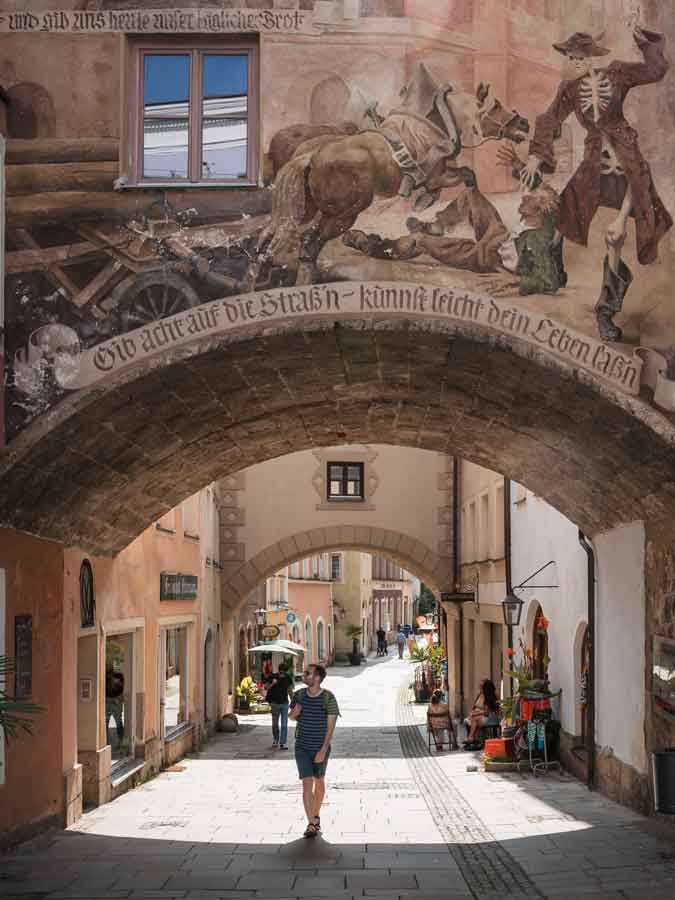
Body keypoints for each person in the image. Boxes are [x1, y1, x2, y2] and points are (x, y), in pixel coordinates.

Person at [520, 26, 671, 340]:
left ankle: (606, 310)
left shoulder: (617, 75)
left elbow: (656, 70)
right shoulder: (569, 89)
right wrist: (536, 157)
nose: (574, 62)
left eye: (579, 57)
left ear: (592, 58)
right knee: (565, 210)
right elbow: (549, 119)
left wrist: (646, 42)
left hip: (624, 155)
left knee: (614, 237)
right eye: (570, 57)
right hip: (593, 163)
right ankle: (554, 271)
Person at [289, 664, 340, 838]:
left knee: (319, 781)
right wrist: (294, 713)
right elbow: (292, 716)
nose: (304, 675)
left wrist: (323, 750)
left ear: (317, 678)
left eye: (307, 673)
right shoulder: (299, 695)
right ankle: (311, 822)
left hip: (320, 747)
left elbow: (330, 727)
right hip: (302, 746)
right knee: (306, 782)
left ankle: (316, 814)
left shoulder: (329, 698)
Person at [264, 662, 294, 750]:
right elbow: (266, 687)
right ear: (279, 671)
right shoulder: (273, 677)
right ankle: (276, 740)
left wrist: (293, 703)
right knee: (275, 724)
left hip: (284, 704)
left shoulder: (288, 678)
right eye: (280, 672)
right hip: (274, 704)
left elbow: (290, 691)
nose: (282, 674)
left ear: (286, 672)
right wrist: (273, 683)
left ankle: (283, 743)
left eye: (283, 673)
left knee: (284, 724)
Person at [464, 678, 500, 749]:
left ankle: (471, 738)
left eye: (481, 686)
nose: (479, 687)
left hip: (490, 717)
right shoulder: (480, 695)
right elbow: (474, 707)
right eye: (479, 685)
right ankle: (475, 741)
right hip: (481, 717)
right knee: (472, 720)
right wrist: (473, 713)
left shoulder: (491, 696)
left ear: (486, 687)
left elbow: (487, 712)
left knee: (475, 720)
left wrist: (476, 714)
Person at [105, 665, 125, 744]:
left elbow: (122, 687)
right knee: (107, 722)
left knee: (118, 722)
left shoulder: (119, 676)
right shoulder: (105, 677)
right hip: (109, 700)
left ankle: (120, 742)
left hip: (115, 701)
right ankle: (106, 742)